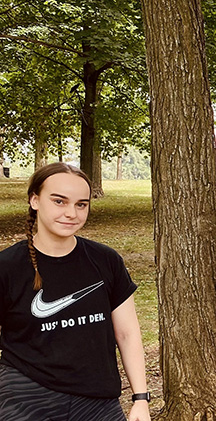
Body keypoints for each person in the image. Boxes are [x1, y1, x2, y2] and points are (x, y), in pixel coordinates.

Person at [0, 163, 150, 421]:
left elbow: (127, 333)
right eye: (59, 201)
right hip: (26, 397)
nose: (71, 213)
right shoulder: (7, 267)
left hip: (97, 400)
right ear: (34, 200)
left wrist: (140, 398)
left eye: (81, 204)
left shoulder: (105, 260)